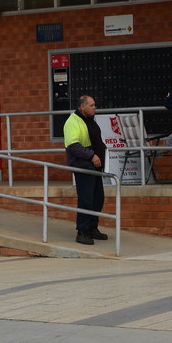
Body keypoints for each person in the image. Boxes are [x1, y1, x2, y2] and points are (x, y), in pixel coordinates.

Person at [63, 95, 108, 245]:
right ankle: (82, 231)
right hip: (83, 166)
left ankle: (92, 227)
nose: (95, 107)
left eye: (94, 105)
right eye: (91, 105)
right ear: (82, 107)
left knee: (97, 197)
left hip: (94, 166)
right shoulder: (73, 121)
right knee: (86, 199)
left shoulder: (88, 119)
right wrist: (91, 156)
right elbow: (73, 146)